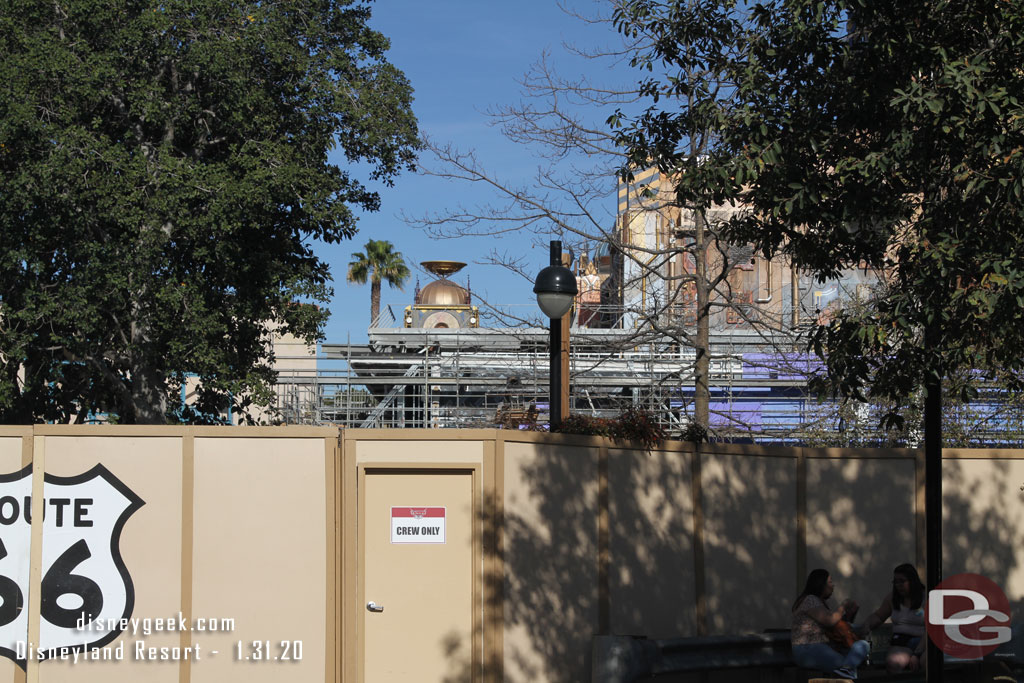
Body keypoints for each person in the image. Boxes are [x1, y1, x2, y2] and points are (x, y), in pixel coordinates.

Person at [791, 568, 871, 680]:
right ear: (820, 584)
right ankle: (847, 671)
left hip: (820, 648)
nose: (833, 585)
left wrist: (849, 615)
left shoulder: (818, 601)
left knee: (862, 646)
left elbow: (837, 626)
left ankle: (847, 671)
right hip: (809, 649)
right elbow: (829, 621)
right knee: (846, 667)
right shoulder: (810, 599)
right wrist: (843, 605)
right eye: (830, 582)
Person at [858, 563, 927, 673]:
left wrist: (916, 654)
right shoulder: (892, 598)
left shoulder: (926, 599)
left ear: (912, 581)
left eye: (902, 581)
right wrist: (867, 624)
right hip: (902, 643)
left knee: (927, 663)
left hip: (924, 643)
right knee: (893, 663)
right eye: (896, 582)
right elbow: (878, 616)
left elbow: (931, 630)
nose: (898, 585)